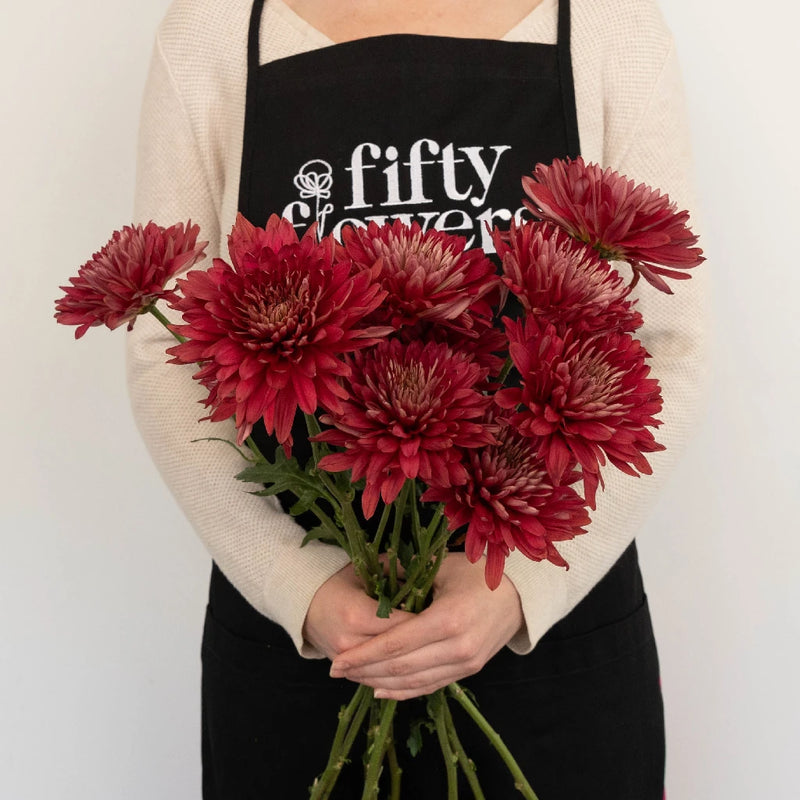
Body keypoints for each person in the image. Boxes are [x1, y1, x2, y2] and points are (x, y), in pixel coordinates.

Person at [129, 0, 709, 796]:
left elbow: (668, 348)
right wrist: (302, 589)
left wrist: (520, 591)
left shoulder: (613, 28)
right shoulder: (215, 29)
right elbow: (166, 344)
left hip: (546, 624)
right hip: (304, 640)